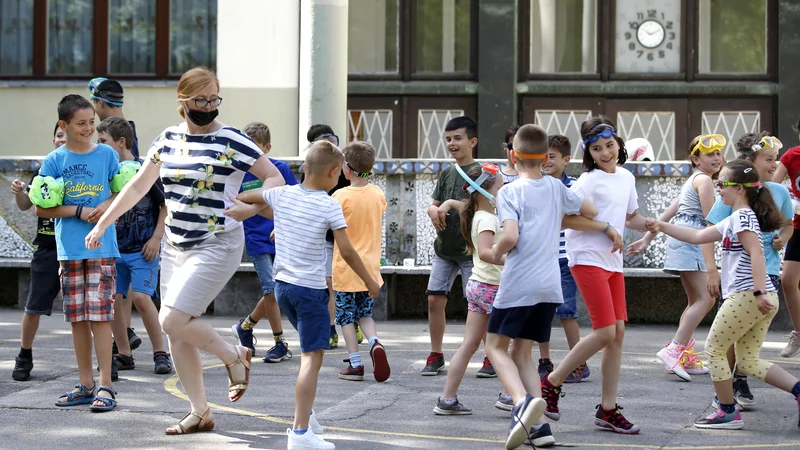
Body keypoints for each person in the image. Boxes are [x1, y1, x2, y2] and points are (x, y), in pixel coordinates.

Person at [86, 67, 286, 434]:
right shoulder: (166, 140)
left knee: (171, 320)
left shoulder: (233, 140)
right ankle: (200, 411)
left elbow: (275, 177)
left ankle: (234, 356)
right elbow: (134, 188)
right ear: (183, 101)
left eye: (214, 99)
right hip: (175, 246)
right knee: (180, 332)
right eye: (201, 100)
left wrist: (253, 206)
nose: (208, 106)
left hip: (218, 243)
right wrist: (102, 223)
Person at [225, 140, 381, 450]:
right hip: (310, 292)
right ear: (335, 172)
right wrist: (370, 281)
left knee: (309, 353)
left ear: (304, 168)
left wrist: (250, 210)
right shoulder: (328, 204)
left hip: (283, 289)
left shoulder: (282, 194)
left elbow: (243, 196)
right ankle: (299, 434)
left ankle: (307, 417)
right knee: (311, 359)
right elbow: (346, 250)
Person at [647, 159, 800, 430]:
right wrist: (660, 226)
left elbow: (756, 253)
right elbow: (697, 236)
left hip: (747, 296)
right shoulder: (736, 216)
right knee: (749, 362)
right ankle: (798, 390)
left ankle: (727, 411)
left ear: (739, 188)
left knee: (715, 350)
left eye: (722, 184)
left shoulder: (742, 217)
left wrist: (759, 291)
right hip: (756, 297)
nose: (718, 188)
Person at [486, 124, 597, 448]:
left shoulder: (508, 191)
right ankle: (541, 426)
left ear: (514, 155)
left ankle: (521, 402)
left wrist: (494, 251)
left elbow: (510, 236)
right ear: (543, 157)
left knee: (494, 347)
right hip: (550, 285)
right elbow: (588, 209)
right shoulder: (556, 187)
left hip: (520, 280)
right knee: (522, 351)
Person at [540, 115, 650, 435]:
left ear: (619, 145)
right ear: (589, 152)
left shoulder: (626, 178)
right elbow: (565, 220)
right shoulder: (586, 181)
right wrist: (605, 227)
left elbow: (631, 217)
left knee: (617, 335)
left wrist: (653, 226)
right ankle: (552, 382)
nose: (605, 153)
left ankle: (608, 409)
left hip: (613, 264)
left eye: (610, 145)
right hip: (586, 259)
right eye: (598, 148)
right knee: (604, 333)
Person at [36, 94, 120, 411]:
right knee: (77, 318)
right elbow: (43, 210)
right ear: (64, 125)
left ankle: (106, 386)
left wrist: (105, 206)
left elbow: (121, 192)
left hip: (102, 246)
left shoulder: (107, 155)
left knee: (100, 315)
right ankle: (85, 384)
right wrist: (78, 210)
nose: (88, 129)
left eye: (91, 123)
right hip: (69, 250)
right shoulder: (54, 161)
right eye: (81, 124)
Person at [705, 133, 793, 408]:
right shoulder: (733, 197)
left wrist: (783, 238)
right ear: (750, 162)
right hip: (751, 285)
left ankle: (727, 403)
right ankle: (729, 388)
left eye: (775, 159)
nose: (774, 164)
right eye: (769, 159)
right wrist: (711, 270)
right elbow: (707, 234)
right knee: (739, 347)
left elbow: (785, 227)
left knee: (717, 346)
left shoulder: (771, 195)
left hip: (756, 284)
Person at [628, 134, 723, 381]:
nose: (717, 158)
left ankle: (684, 354)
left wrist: (647, 240)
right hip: (691, 241)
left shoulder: (693, 180)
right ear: (695, 159)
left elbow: (667, 214)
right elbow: (710, 222)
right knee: (707, 299)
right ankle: (674, 349)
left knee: (695, 301)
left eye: (719, 153)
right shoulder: (704, 181)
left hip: (680, 242)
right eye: (710, 154)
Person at [95, 117, 172, 375]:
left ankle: (161, 352)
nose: (99, 147)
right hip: (115, 250)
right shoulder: (106, 173)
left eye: (103, 142)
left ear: (121, 142)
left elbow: (165, 206)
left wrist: (157, 238)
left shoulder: (144, 170)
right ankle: (125, 353)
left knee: (141, 298)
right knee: (115, 300)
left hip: (143, 249)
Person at [432, 163, 504, 414]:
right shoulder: (487, 219)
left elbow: (461, 203)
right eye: (500, 187)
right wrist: (514, 260)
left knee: (471, 344)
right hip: (492, 288)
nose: (503, 191)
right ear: (486, 193)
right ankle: (511, 395)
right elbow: (486, 253)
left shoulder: (477, 213)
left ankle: (447, 399)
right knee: (505, 347)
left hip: (480, 286)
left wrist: (449, 202)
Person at [231, 122, 298, 363]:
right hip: (256, 239)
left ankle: (246, 325)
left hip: (281, 237)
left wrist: (281, 226)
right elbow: (234, 202)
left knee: (277, 291)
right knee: (271, 289)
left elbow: (292, 199)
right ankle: (280, 342)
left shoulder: (278, 169)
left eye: (255, 147)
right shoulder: (237, 174)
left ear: (266, 148)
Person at [88, 76, 146, 349]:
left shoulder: (114, 142)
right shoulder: (127, 131)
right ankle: (125, 333)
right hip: (128, 228)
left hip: (122, 226)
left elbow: (124, 190)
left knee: (118, 286)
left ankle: (124, 335)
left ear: (98, 102)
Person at [424, 116, 481, 376]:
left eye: (458, 138)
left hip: (471, 251)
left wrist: (449, 205)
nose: (452, 143)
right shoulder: (447, 172)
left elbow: (479, 208)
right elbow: (436, 201)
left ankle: (491, 355)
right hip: (444, 250)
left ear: (473, 141)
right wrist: (432, 208)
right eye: (448, 139)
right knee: (435, 298)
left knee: (478, 305)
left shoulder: (481, 173)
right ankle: (436, 354)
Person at [10, 124, 66, 381]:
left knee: (90, 308)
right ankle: (24, 355)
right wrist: (21, 193)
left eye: (66, 135)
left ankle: (108, 355)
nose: (61, 140)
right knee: (33, 307)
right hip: (47, 249)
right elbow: (26, 206)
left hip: (76, 248)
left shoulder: (81, 171)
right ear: (53, 139)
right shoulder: (43, 173)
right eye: (58, 135)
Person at [333, 141, 390, 382]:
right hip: (370, 269)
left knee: (346, 317)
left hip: (346, 269)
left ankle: (355, 364)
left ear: (346, 169)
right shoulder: (377, 194)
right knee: (365, 314)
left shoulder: (339, 196)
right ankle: (375, 342)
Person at [537, 134, 590, 383]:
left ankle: (579, 362)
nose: (546, 160)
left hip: (565, 258)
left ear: (567, 159)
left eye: (552, 156)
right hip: (542, 258)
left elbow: (583, 215)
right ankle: (544, 360)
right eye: (543, 155)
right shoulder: (536, 184)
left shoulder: (575, 185)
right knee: (541, 311)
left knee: (567, 312)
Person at [299, 124, 354, 350]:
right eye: (323, 140)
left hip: (346, 235)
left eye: (332, 138)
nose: (330, 143)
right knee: (329, 283)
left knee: (351, 283)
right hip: (322, 238)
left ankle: (353, 320)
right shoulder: (309, 173)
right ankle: (331, 328)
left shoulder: (346, 169)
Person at [773, 120, 800, 358]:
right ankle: (799, 332)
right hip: (798, 228)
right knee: (788, 280)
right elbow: (772, 186)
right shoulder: (792, 156)